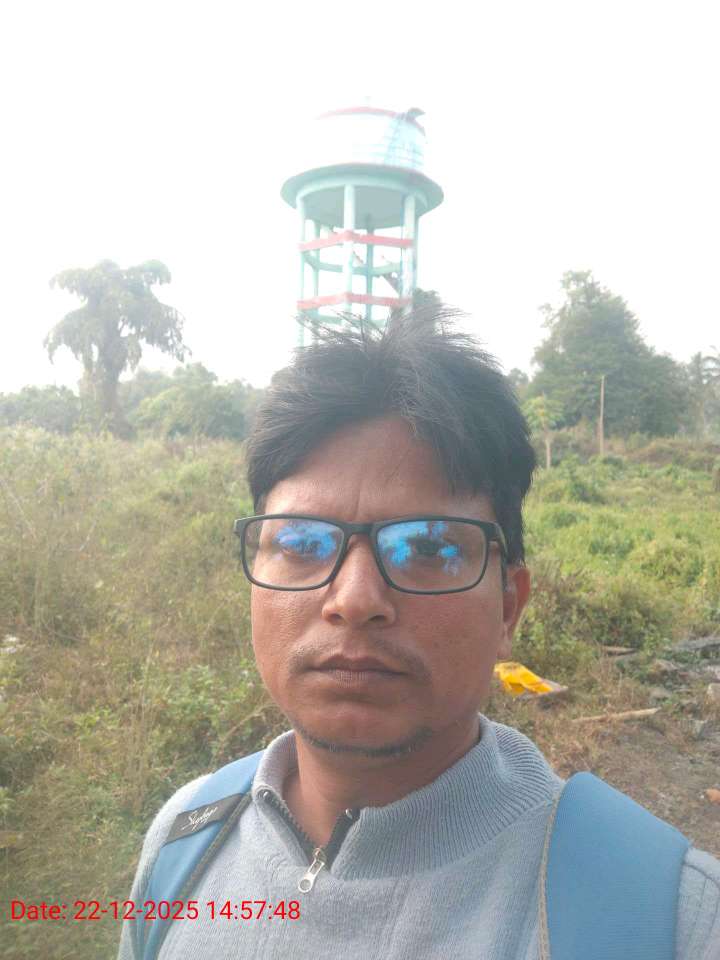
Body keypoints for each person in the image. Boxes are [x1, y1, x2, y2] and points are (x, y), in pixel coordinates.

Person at [118, 306, 720, 959]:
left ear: (508, 608)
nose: (354, 600)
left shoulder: (672, 921)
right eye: (302, 543)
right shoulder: (185, 843)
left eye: (428, 548)